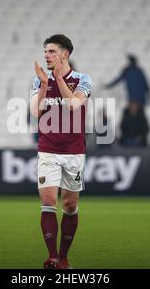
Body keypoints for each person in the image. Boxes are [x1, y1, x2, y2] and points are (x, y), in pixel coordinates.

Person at [30, 34, 92, 269]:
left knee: (69, 206)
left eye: (52, 51)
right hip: (48, 149)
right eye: (45, 51)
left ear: (65, 54)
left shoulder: (82, 79)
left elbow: (74, 105)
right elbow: (36, 112)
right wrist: (46, 85)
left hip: (74, 151)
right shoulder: (39, 81)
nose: (47, 55)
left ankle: (64, 257)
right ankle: (52, 256)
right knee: (47, 201)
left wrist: (58, 79)